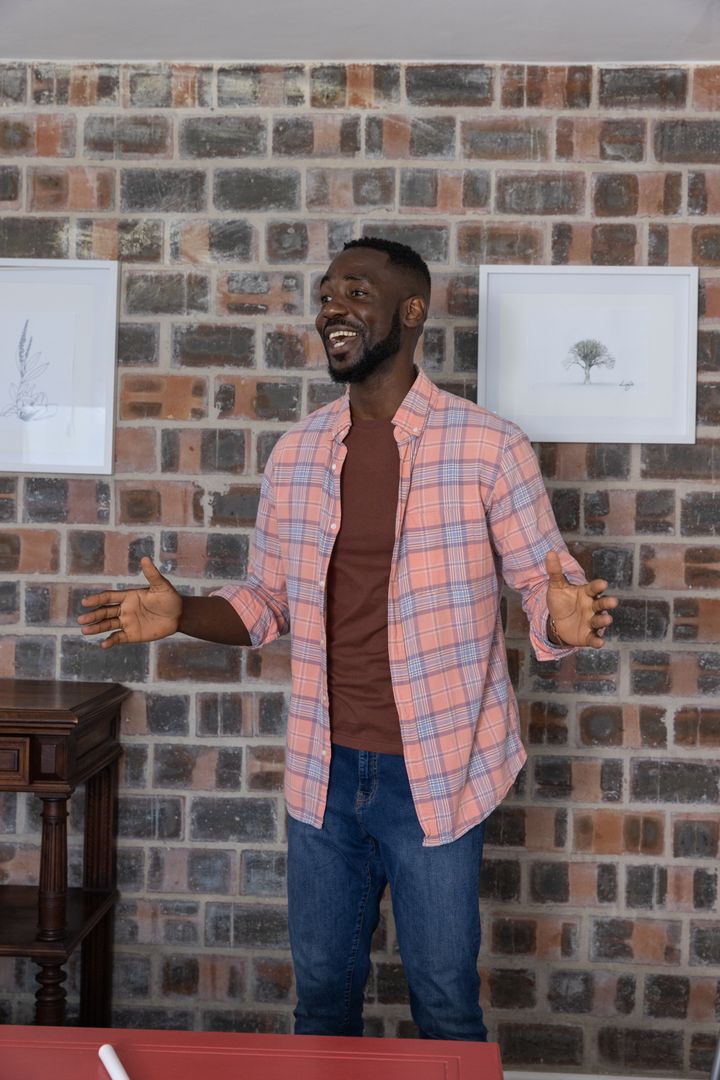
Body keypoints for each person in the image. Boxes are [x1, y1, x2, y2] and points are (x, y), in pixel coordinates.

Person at [78, 237, 617, 1042]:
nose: (333, 307)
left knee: (442, 996)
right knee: (323, 994)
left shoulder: (489, 447)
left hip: (438, 769)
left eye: (356, 293)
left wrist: (561, 620)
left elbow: (547, 583)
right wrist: (184, 611)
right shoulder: (298, 453)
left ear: (410, 312)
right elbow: (265, 601)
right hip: (323, 774)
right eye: (327, 293)